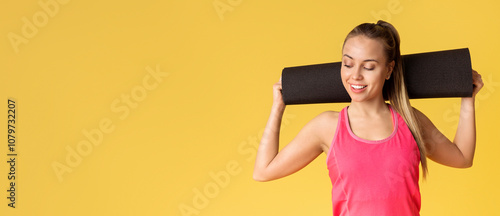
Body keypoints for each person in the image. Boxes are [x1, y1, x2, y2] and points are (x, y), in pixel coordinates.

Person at [253, 20, 484, 215]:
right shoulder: (326, 126)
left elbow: (462, 158)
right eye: (348, 64)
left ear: (389, 70)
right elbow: (263, 171)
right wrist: (278, 108)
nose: (355, 75)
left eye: (369, 67)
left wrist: (467, 98)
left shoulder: (410, 121)